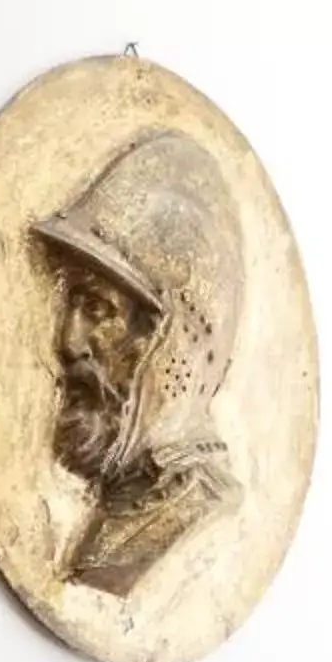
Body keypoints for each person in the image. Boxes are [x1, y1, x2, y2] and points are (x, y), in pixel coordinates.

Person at [31, 128, 248, 597]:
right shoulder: (123, 512)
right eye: (71, 307)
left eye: (97, 310)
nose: (68, 343)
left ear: (175, 341)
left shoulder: (190, 515)